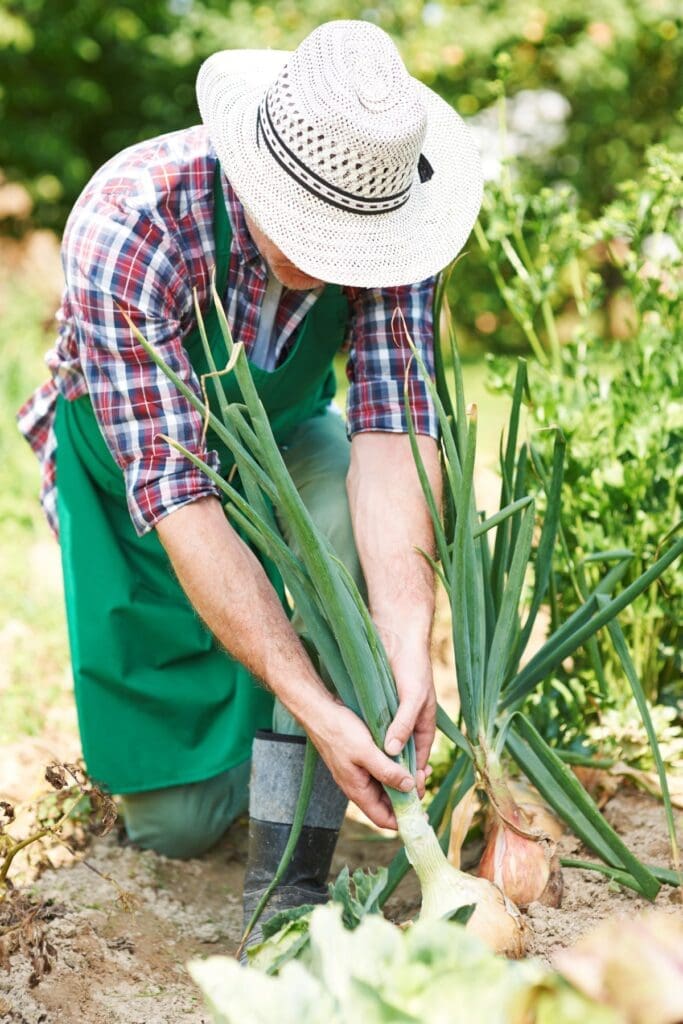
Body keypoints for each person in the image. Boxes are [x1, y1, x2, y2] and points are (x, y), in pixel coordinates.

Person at [17, 19, 482, 940]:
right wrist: (313, 705)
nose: (332, 263)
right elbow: (182, 504)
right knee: (182, 824)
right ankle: (265, 733)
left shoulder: (394, 217)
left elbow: (393, 439)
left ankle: (287, 885)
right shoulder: (130, 220)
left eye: (354, 241)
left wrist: (401, 642)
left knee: (347, 522)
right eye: (314, 232)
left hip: (287, 432)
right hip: (141, 478)